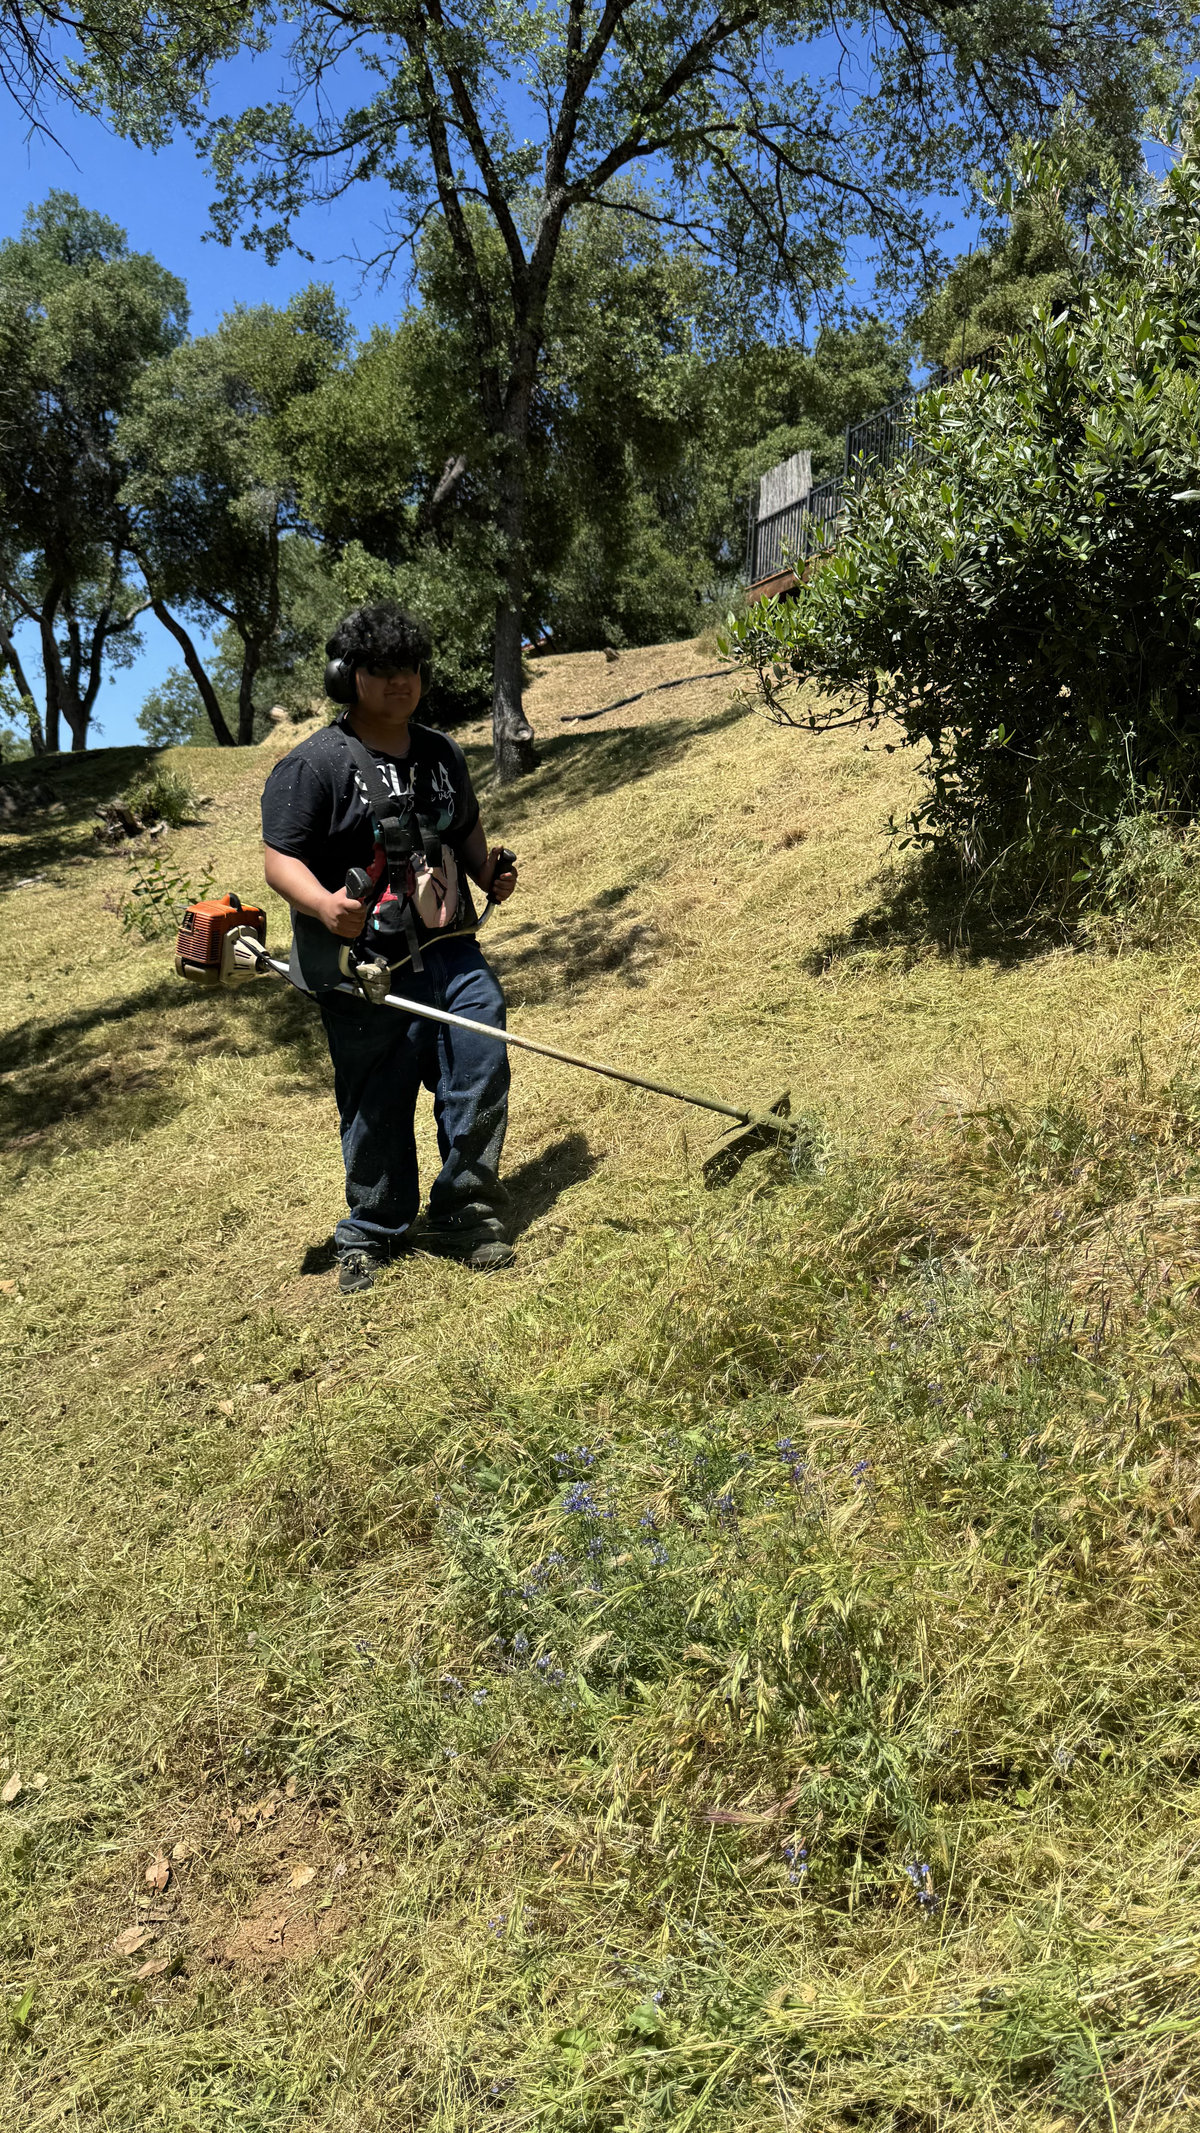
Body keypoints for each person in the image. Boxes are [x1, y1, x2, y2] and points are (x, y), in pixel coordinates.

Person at [260, 604, 518, 1292]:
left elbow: (465, 825)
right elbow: (278, 858)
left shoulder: (441, 753)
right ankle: (374, 1226)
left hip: (449, 948)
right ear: (348, 676)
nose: (402, 683)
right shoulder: (311, 766)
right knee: (378, 1094)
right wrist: (321, 904)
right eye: (383, 670)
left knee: (479, 1056)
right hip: (364, 969)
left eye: (411, 668)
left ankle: (465, 1206)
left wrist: (487, 869)